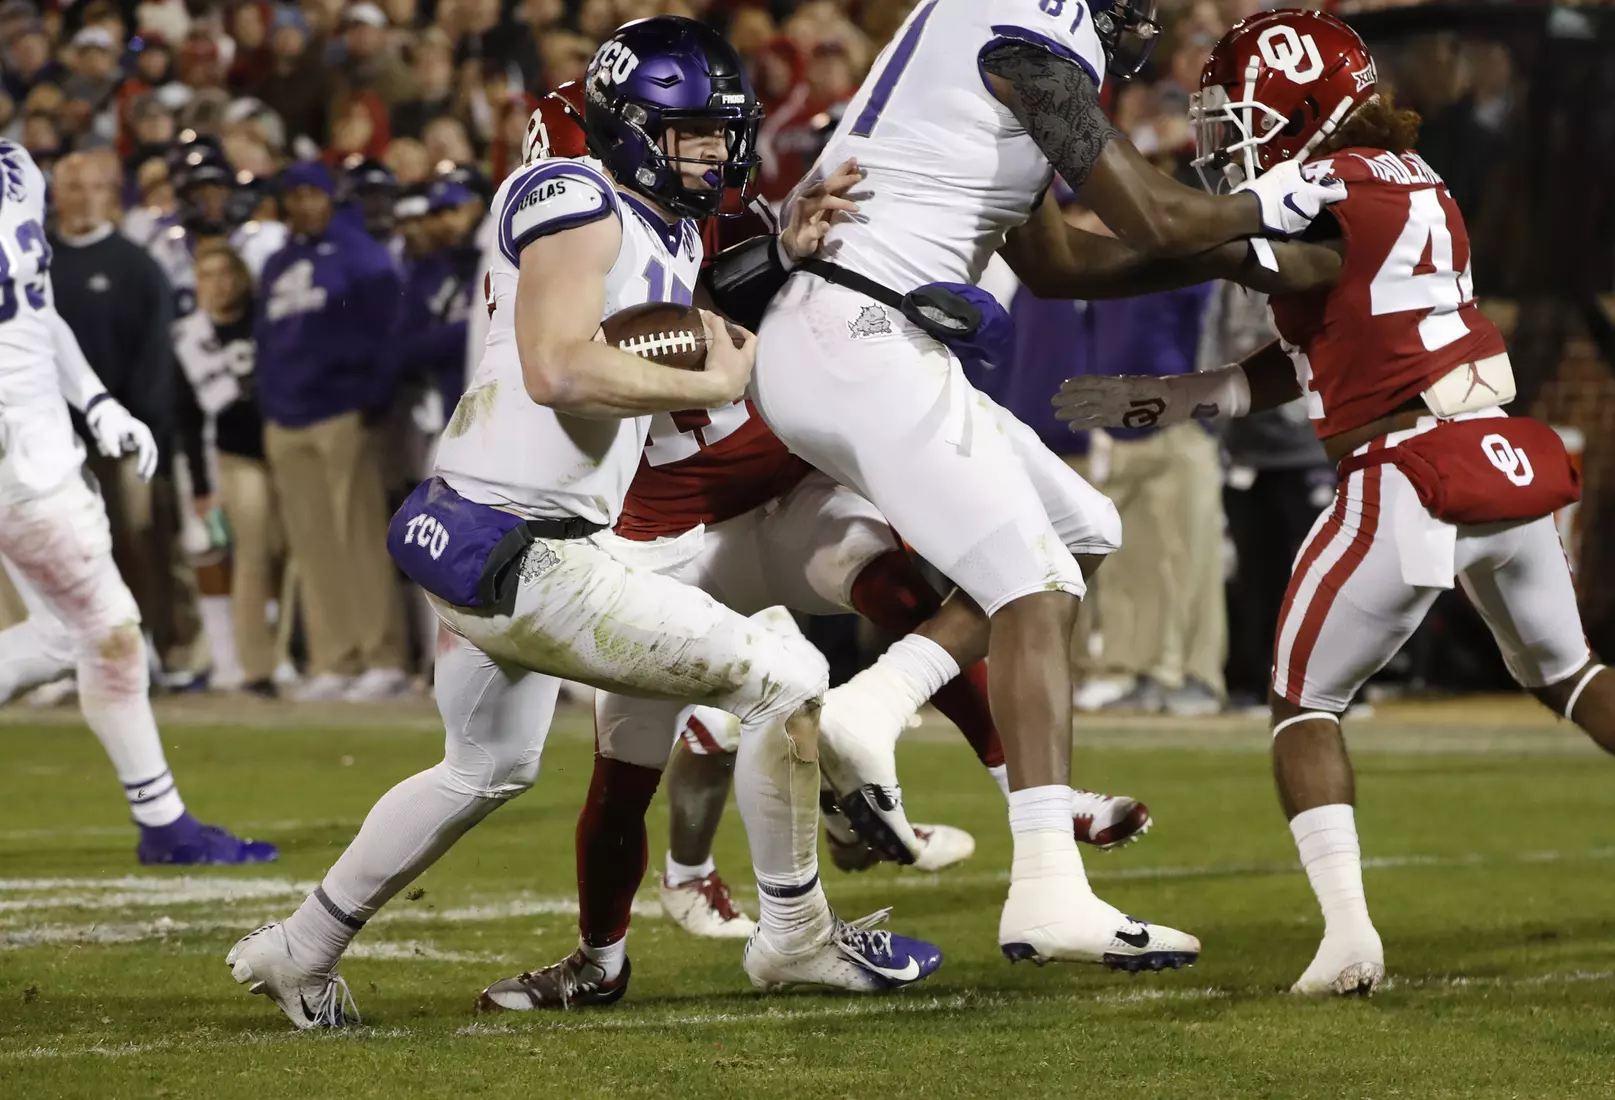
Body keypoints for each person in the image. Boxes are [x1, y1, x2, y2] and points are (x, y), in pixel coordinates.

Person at [227, 18, 941, 1030]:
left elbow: (661, 302)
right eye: (692, 134)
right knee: (788, 674)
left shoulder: (662, 222)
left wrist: (779, 248)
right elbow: (559, 365)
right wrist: (708, 374)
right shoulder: (571, 191)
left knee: (483, 766)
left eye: (720, 132)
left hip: (481, 527)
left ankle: (300, 948)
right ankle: (797, 935)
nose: (715, 152)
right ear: (633, 129)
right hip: (527, 546)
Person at [752, 0, 1342, 969]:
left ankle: (872, 706)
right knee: (1030, 582)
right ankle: (1045, 889)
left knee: (1077, 531)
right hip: (863, 331)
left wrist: (1245, 257)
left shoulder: (986, 52)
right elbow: (1149, 213)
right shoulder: (1027, 41)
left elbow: (1061, 261)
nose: (1137, 16)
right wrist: (1268, 210)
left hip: (853, 335)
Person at [1052, 9, 1615, 995]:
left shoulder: (1317, 179)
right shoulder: (1407, 176)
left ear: (1294, 103)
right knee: (1571, 677)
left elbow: (1181, 232)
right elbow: (1325, 331)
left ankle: (1350, 935)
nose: (1222, 137)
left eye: (1235, 115)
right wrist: (1191, 393)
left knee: (1301, 703)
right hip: (1497, 455)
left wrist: (1063, 131)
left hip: (1407, 467)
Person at [0, 138, 275, 865]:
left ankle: (164, 823)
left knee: (69, 636)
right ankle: (166, 826)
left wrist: (95, 402)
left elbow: (33, 306)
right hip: (16, 457)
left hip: (42, 437)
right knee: (111, 628)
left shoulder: (17, 167)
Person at [255, 159, 410, 702]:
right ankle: (333, 659)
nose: (302, 205)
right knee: (313, 545)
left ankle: (382, 656)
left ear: (329, 198)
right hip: (290, 416)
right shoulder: (276, 263)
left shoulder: (361, 255)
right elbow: (264, 342)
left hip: (345, 412)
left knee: (359, 539)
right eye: (292, 197)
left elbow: (392, 329)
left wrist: (373, 396)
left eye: (310, 194)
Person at [174, 242, 281, 696]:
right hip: (235, 456)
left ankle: (286, 654)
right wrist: (201, 484)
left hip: (281, 446)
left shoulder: (265, 320)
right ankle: (255, 661)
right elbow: (188, 415)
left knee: (289, 553)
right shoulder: (188, 337)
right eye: (206, 275)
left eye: (225, 273)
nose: (217, 284)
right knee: (252, 554)